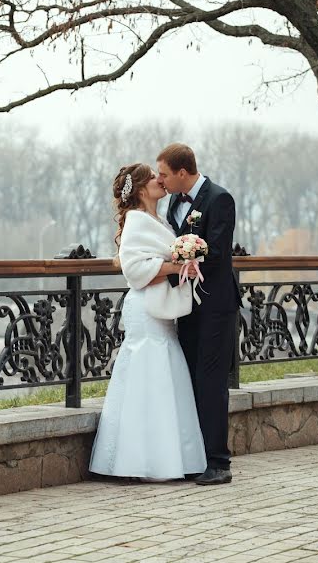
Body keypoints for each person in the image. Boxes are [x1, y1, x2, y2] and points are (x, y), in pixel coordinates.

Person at [89, 163, 207, 482]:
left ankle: (170, 457)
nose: (161, 180)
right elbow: (135, 271)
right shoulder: (136, 221)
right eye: (154, 178)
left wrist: (185, 264)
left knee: (165, 371)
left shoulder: (161, 219)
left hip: (163, 307)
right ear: (141, 189)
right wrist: (175, 265)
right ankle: (137, 460)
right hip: (144, 308)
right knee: (146, 372)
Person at [156, 143, 241, 486]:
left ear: (181, 172)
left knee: (211, 381)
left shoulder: (220, 199)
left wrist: (186, 259)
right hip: (187, 305)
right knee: (190, 377)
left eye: (163, 174)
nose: (160, 181)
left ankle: (219, 462)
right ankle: (195, 456)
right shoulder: (175, 202)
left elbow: (218, 252)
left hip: (216, 305)